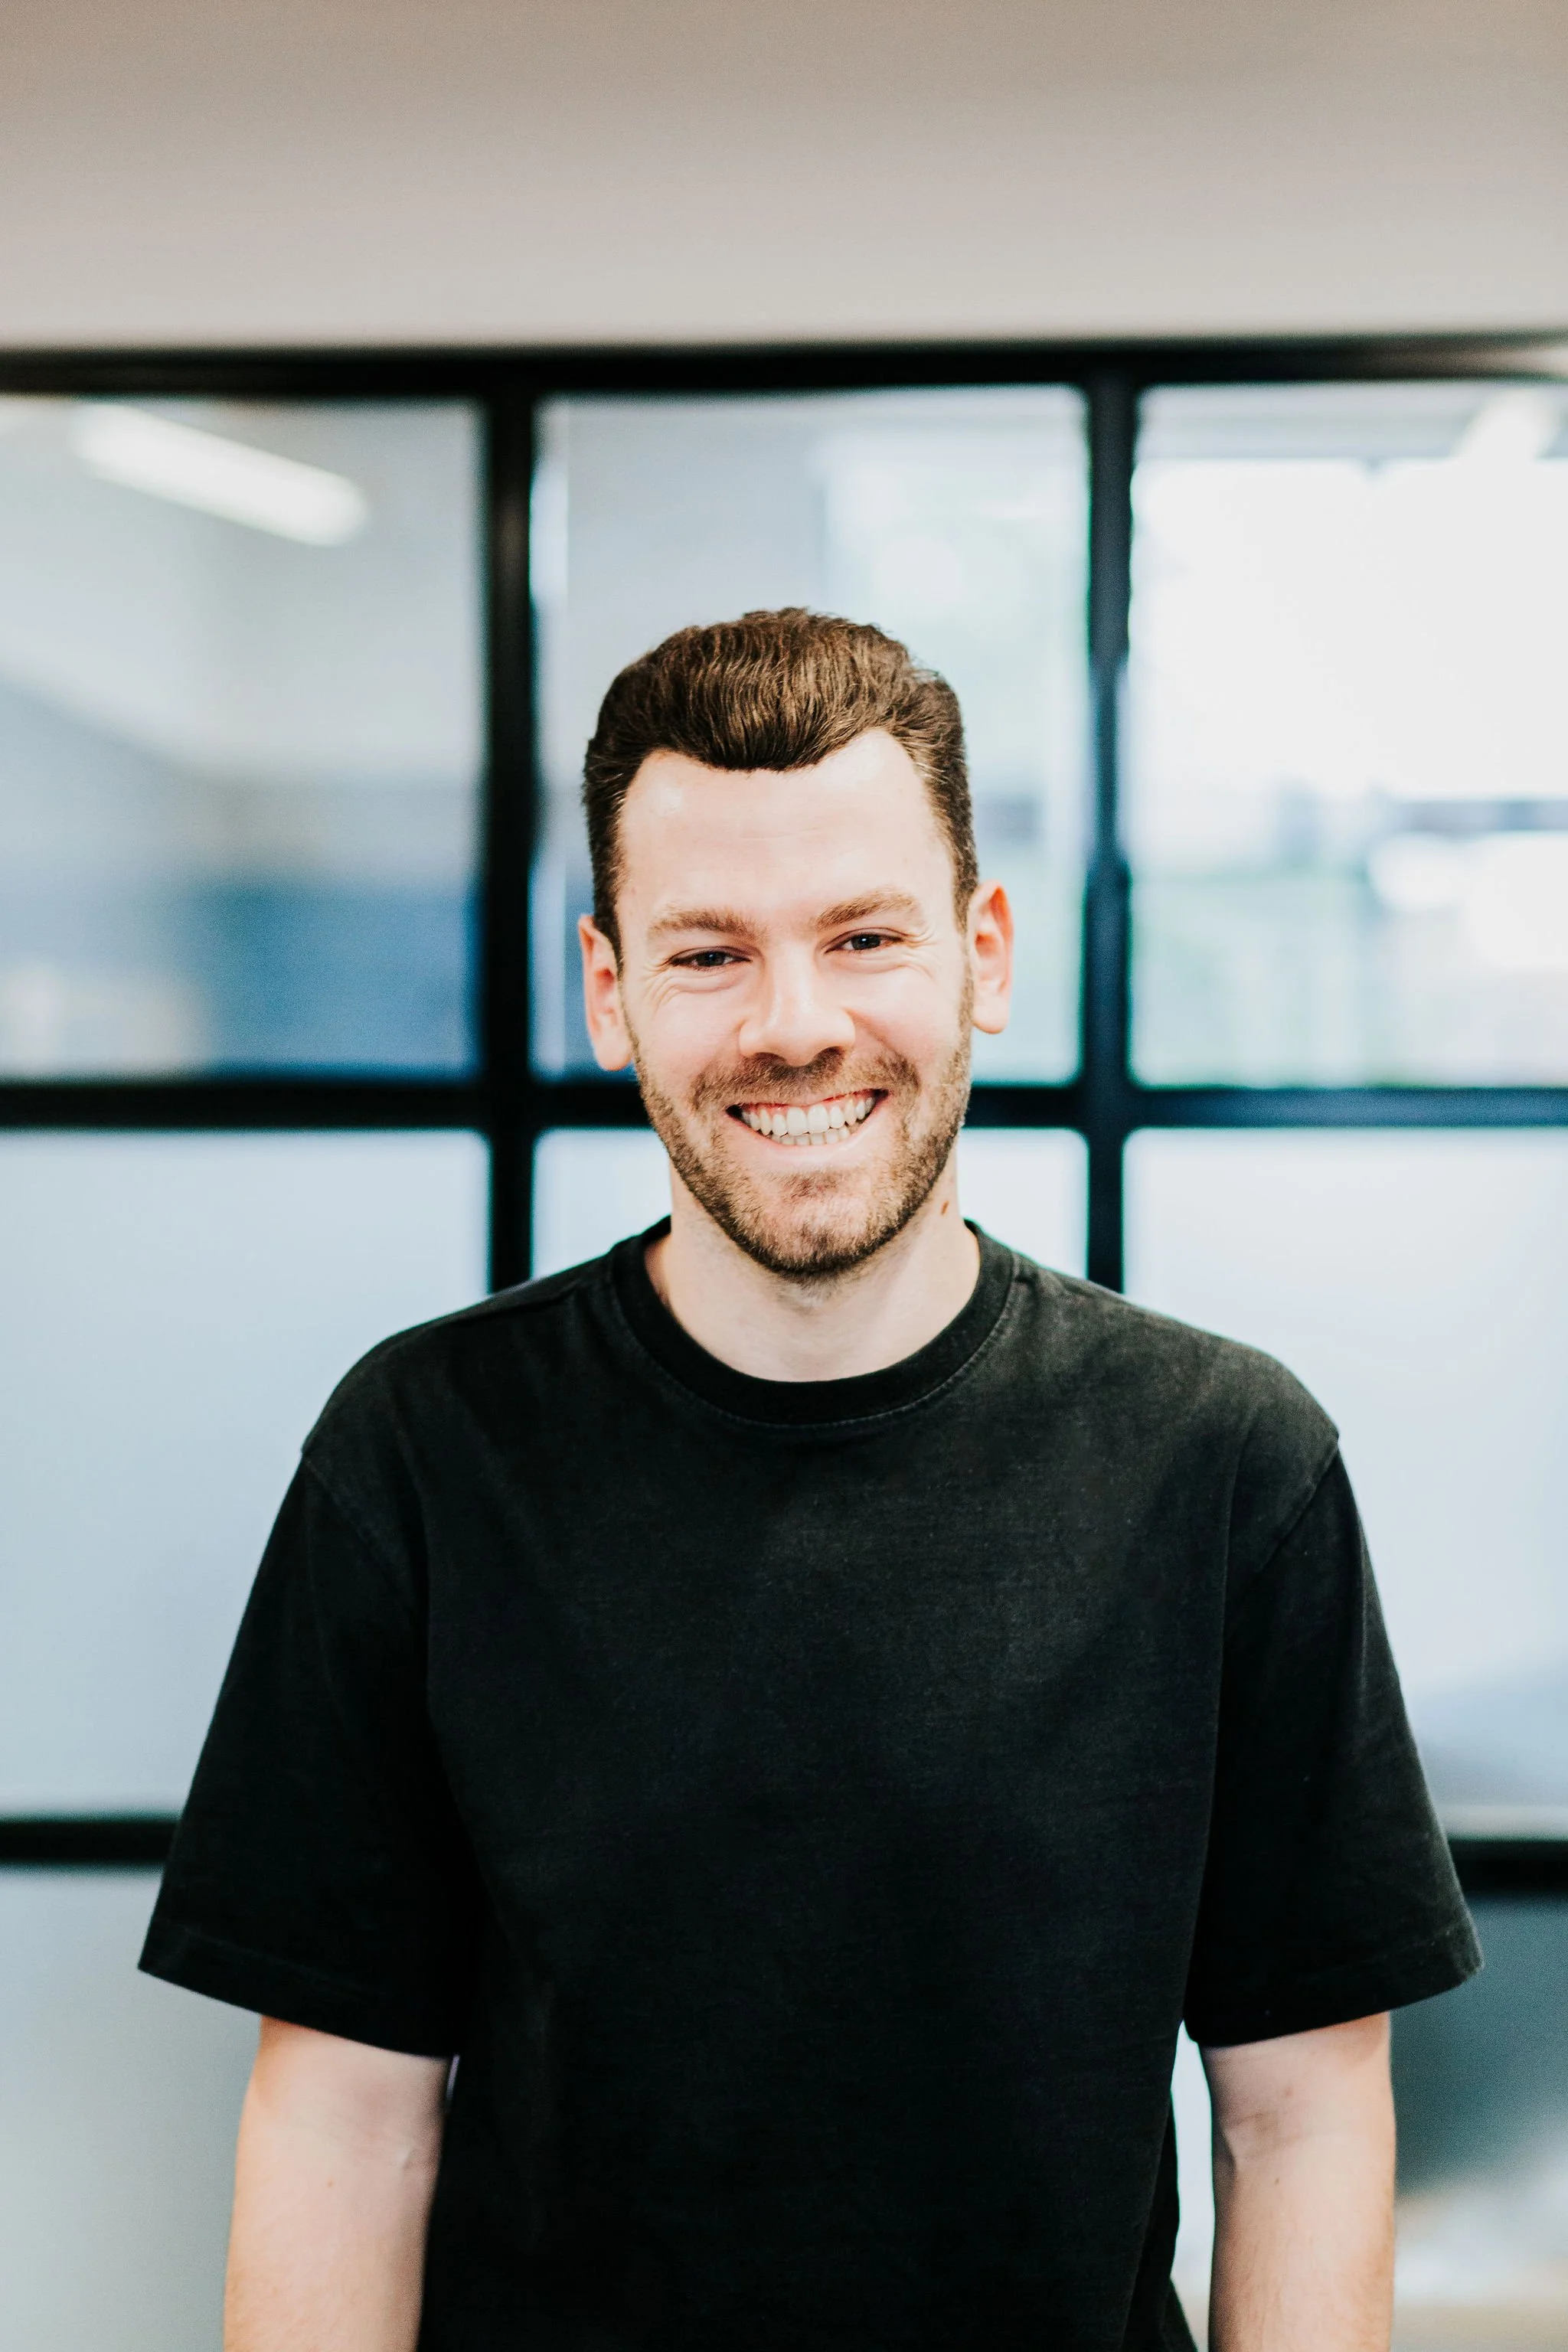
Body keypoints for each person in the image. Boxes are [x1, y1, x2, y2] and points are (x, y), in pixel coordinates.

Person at [142, 608, 1479, 2352]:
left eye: (863, 936)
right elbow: (344, 2121)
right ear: (610, 992)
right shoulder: (421, 1451)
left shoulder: (1225, 1463)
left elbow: (1299, 2116)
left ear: (983, 956)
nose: (795, 1025)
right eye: (709, 953)